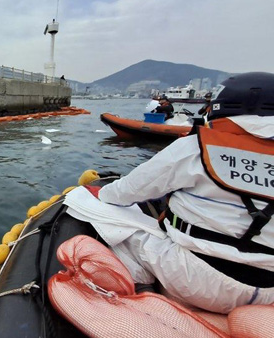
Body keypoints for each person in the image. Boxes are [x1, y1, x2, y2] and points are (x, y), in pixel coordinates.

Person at [87, 72, 274, 314]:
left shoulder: (194, 148)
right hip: (268, 291)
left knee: (115, 228)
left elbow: (123, 192)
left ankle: (140, 294)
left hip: (194, 278)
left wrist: (98, 194)